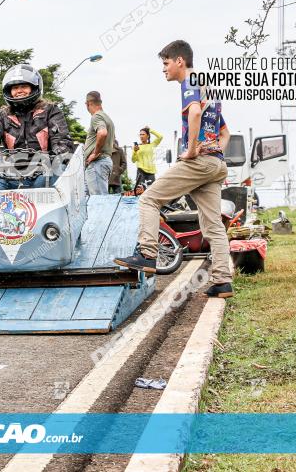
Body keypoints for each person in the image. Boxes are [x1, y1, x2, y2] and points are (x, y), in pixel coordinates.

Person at [114, 40, 233, 298]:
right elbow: (226, 133)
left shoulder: (190, 82)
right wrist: (216, 152)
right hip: (215, 164)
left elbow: (194, 114)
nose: (164, 69)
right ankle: (223, 281)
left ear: (180, 61)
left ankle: (147, 254)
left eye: (166, 63)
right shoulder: (208, 88)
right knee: (212, 224)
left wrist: (190, 151)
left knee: (148, 199)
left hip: (198, 162)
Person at [0, 64, 73, 190]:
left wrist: (58, 154)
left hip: (43, 174)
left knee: (60, 169)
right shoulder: (0, 115)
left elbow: (62, 142)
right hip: (9, 176)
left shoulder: (51, 110)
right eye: (15, 87)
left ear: (34, 88)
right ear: (9, 91)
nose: (19, 90)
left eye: (24, 86)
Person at [82, 91, 114, 195]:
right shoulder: (107, 117)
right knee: (86, 201)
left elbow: (102, 132)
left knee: (99, 202)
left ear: (88, 103)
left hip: (97, 163)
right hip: (99, 163)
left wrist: (95, 153)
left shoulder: (97, 116)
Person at [132, 126, 163, 192]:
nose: (141, 136)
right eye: (140, 134)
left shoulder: (152, 145)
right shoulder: (137, 147)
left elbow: (160, 137)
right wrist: (135, 151)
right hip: (141, 171)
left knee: (152, 192)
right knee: (140, 191)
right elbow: (133, 160)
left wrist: (150, 130)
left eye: (143, 134)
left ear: (148, 136)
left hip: (151, 172)